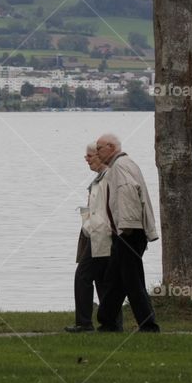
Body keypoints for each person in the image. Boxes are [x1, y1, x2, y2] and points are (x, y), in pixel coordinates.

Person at [95, 134, 160, 333]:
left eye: (99, 148)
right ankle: (107, 322)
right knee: (114, 280)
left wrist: (127, 227)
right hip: (127, 232)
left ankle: (148, 326)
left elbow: (128, 193)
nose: (97, 153)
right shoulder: (124, 164)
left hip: (129, 233)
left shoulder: (120, 166)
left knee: (132, 280)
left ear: (111, 146)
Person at [66, 143, 122, 332]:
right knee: (104, 279)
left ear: (100, 157)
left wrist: (89, 227)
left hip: (101, 235)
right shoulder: (101, 179)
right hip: (99, 235)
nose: (86, 159)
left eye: (90, 155)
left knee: (83, 276)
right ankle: (112, 323)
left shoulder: (106, 179)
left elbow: (105, 211)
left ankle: (84, 322)